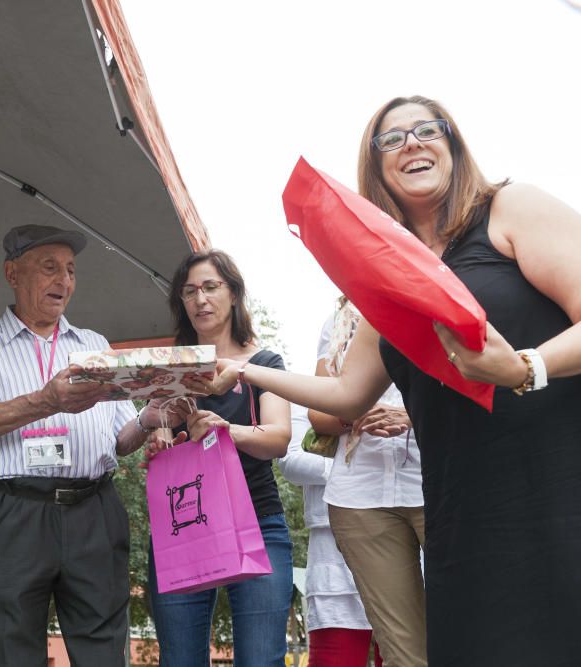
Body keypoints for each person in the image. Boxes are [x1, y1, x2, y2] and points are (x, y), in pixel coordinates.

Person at [217, 95, 581, 665]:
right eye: (392, 138)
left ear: (453, 144)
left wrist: (525, 368)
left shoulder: (511, 209)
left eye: (426, 129)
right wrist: (246, 370)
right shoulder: (389, 280)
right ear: (376, 166)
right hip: (462, 522)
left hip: (558, 502)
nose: (412, 142)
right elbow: (345, 395)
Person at [0, 224, 192, 667]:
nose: (64, 281)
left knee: (104, 651)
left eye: (70, 270)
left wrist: (149, 420)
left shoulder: (94, 346)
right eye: (49, 268)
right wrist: (45, 401)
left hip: (94, 509)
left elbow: (119, 439)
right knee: (10, 651)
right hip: (10, 511)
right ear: (12, 274)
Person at [145, 249, 293, 667]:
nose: (200, 299)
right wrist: (160, 445)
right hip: (183, 525)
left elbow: (278, 438)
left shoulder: (265, 363)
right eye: (189, 291)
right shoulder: (169, 369)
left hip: (258, 520)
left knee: (261, 660)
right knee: (179, 660)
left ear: (234, 293)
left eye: (211, 287)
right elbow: (159, 435)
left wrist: (224, 431)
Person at [305, 298, 425, 667]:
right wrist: (357, 416)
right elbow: (319, 414)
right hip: (359, 494)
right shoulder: (339, 318)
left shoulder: (442, 294)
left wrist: (411, 416)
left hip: (436, 480)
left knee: (473, 627)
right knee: (403, 650)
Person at [278, 405, 381, 667]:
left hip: (406, 536)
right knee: (334, 658)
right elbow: (292, 460)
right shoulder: (312, 395)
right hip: (333, 546)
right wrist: (361, 467)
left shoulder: (404, 383)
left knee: (407, 654)